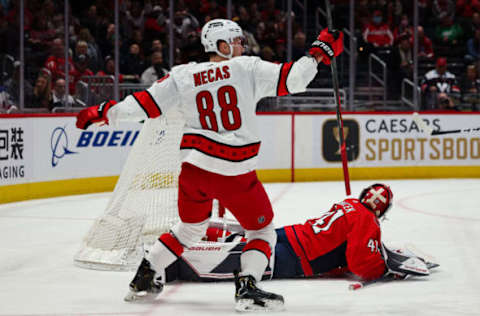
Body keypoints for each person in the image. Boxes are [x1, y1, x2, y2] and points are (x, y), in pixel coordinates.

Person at [76, 19, 343, 312]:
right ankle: (248, 287)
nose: (243, 45)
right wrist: (320, 51)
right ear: (223, 46)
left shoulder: (182, 75)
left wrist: (104, 112)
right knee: (262, 231)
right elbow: (295, 79)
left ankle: (146, 274)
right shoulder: (247, 68)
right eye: (238, 41)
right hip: (234, 173)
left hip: (193, 172)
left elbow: (144, 105)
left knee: (190, 228)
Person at [159, 184, 436, 283]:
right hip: (295, 256)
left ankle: (187, 238)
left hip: (289, 234)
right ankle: (174, 266)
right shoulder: (368, 220)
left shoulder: (349, 204)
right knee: (239, 264)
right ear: (382, 210)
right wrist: (383, 270)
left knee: (248, 242)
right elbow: (360, 261)